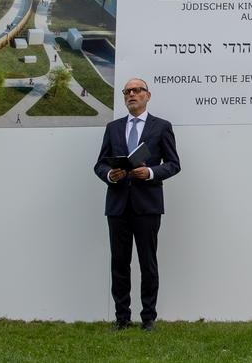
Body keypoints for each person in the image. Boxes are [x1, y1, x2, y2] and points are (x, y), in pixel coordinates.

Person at [94, 78, 181, 332]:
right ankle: (122, 318)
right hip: (118, 205)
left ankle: (148, 318)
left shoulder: (161, 127)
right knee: (119, 263)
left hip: (147, 205)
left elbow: (174, 164)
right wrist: (110, 175)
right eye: (127, 91)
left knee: (147, 263)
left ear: (148, 95)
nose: (131, 94)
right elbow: (99, 164)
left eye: (137, 90)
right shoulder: (113, 128)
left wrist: (151, 172)